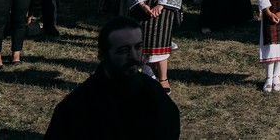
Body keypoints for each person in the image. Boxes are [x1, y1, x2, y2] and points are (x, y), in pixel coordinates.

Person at [43, 16, 180, 140]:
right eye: (123, 50)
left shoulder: (154, 92)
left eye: (138, 47)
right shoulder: (77, 107)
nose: (133, 56)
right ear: (103, 55)